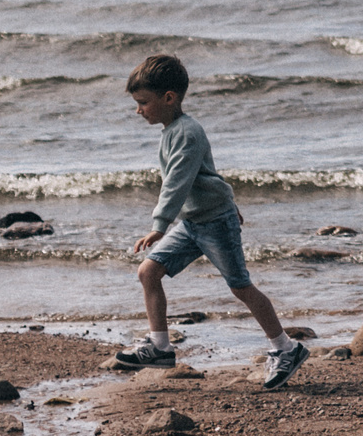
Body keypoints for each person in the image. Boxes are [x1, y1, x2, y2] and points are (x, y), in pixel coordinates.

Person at [111, 54, 307, 389]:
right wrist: (230, 199)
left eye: (143, 103)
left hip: (214, 223)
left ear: (168, 98)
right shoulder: (173, 130)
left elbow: (178, 181)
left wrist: (160, 226)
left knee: (240, 286)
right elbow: (209, 175)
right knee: (149, 271)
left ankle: (286, 348)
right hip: (192, 222)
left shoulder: (187, 133)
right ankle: (159, 346)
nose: (138, 110)